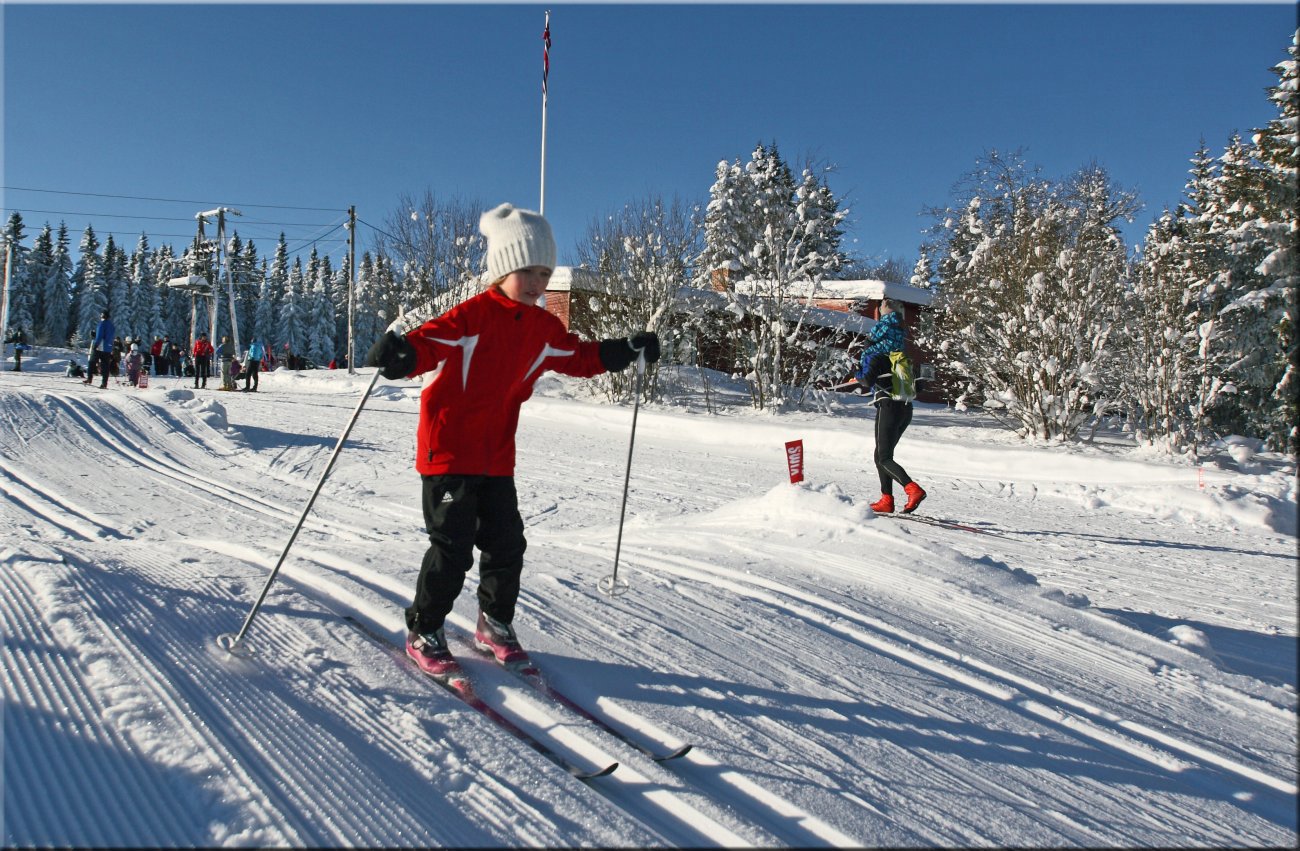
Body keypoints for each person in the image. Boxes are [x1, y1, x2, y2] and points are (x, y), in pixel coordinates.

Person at [366, 202, 661, 682]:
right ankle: (424, 630)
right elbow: (426, 345)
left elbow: (579, 357)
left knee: (507, 544)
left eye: (544, 272)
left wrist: (624, 350)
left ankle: (494, 625)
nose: (536, 282)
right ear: (503, 268)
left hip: (497, 457)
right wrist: (401, 356)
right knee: (453, 548)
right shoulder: (470, 316)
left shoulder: (543, 329)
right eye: (526, 270)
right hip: (448, 454)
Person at [855, 298, 925, 515]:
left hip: (888, 406)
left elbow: (866, 380)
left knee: (883, 457)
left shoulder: (877, 353)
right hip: (905, 408)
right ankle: (887, 499)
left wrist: (856, 373)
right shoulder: (900, 351)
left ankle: (912, 489)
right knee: (883, 456)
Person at [85, 311, 115, 389]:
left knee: (91, 362)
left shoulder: (101, 324)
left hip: (100, 346)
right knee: (105, 366)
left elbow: (100, 335)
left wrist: (96, 344)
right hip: (108, 348)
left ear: (102, 316)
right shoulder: (111, 325)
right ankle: (104, 383)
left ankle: (89, 378)